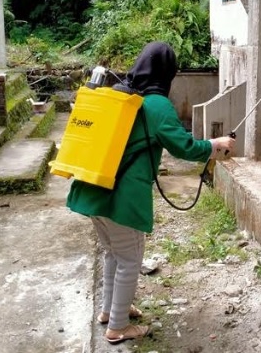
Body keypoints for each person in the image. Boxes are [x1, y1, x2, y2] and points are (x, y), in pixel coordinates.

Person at [66, 41, 235, 344]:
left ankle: (110, 310)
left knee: (113, 253)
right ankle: (117, 327)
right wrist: (215, 145)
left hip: (93, 187)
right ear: (167, 73)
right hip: (121, 196)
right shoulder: (156, 105)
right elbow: (183, 146)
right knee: (130, 258)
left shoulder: (120, 94)